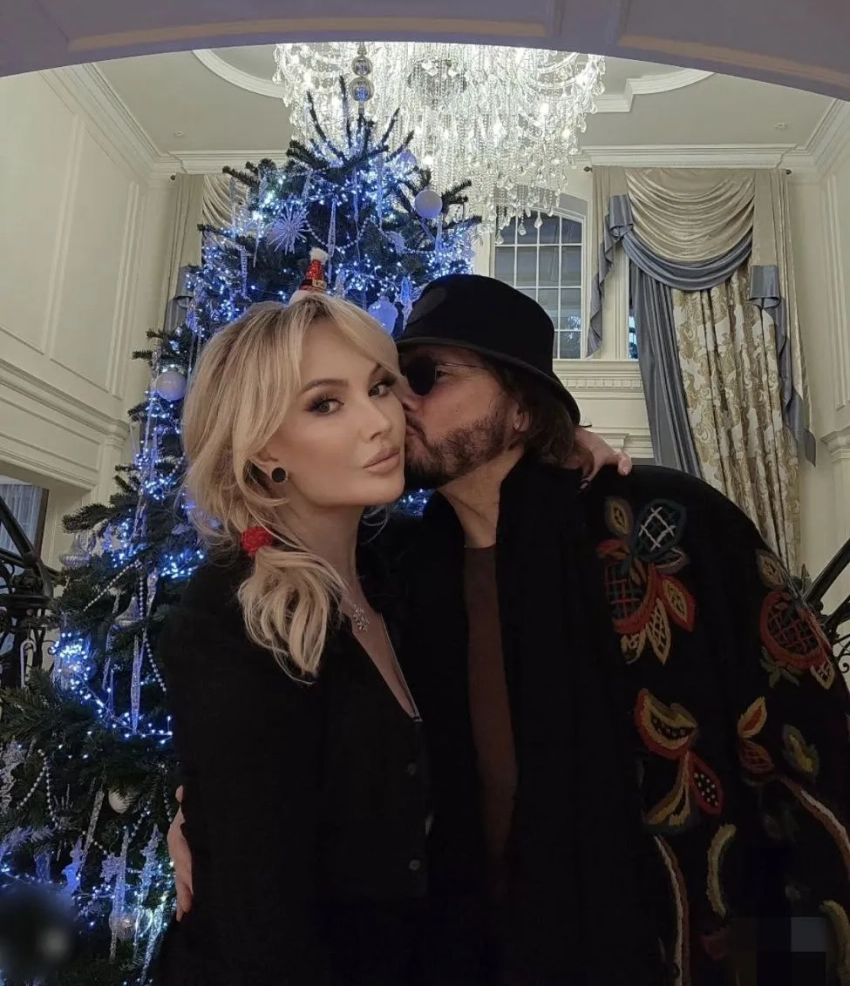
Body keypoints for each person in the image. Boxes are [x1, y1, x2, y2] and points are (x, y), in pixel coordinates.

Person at [169, 274, 850, 984]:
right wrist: (198, 821)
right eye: (391, 382)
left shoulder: (667, 529)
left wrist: (799, 963)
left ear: (521, 407)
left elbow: (813, 758)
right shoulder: (399, 570)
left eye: (421, 378)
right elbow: (282, 757)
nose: (395, 408)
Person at [156, 285, 624, 986]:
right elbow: (263, 926)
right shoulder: (232, 614)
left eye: (380, 387)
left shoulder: (401, 567)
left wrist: (559, 445)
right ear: (264, 451)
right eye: (325, 404)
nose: (382, 420)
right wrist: (201, 819)